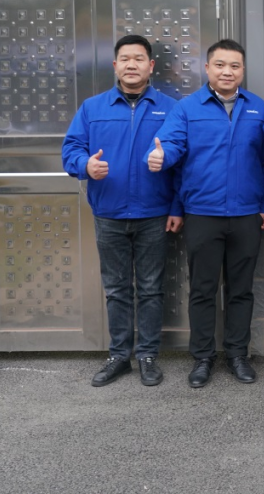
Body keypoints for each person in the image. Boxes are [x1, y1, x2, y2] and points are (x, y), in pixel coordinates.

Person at [146, 39, 264, 388]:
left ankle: (237, 355)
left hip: (246, 214)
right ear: (207, 68)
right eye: (220, 65)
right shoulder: (188, 108)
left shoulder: (258, 108)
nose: (227, 72)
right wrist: (160, 156)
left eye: (234, 66)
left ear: (243, 70)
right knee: (203, 290)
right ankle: (203, 358)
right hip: (202, 214)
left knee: (241, 290)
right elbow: (170, 146)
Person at [62, 34, 182, 387]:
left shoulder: (171, 108)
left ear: (151, 66)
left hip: (153, 214)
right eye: (125, 59)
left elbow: (183, 160)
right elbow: (71, 149)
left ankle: (148, 355)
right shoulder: (93, 108)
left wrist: (176, 206)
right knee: (116, 289)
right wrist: (85, 165)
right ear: (115, 66)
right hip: (109, 214)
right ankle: (119, 356)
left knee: (150, 288)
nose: (132, 65)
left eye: (139, 58)